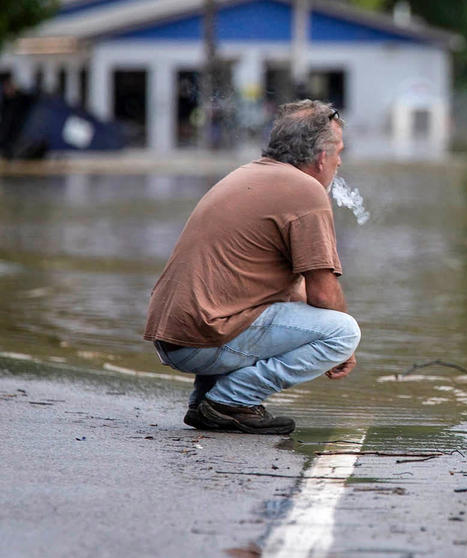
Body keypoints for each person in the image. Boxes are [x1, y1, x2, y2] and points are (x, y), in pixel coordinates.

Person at [144, 99, 359, 435]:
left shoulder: (251, 173)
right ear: (320, 158)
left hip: (175, 335)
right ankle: (231, 401)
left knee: (272, 305)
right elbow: (324, 292)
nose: (339, 162)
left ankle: (206, 402)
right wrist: (344, 350)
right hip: (201, 338)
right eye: (338, 152)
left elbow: (298, 290)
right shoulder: (306, 191)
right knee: (343, 331)